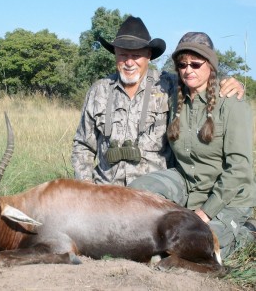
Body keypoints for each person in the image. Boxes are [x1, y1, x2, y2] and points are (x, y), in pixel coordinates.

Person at [71, 16, 245, 187]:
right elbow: (83, 145)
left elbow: (198, 79)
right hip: (106, 191)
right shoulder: (99, 90)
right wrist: (86, 185)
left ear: (149, 56)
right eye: (123, 54)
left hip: (155, 194)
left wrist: (228, 81)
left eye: (137, 55)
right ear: (115, 54)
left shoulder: (169, 84)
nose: (129, 62)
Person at [128, 31, 256, 258]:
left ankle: (245, 232)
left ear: (211, 65)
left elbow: (238, 169)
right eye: (182, 64)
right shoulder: (175, 96)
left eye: (196, 64)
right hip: (187, 184)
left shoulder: (232, 104)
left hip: (228, 197)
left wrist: (205, 213)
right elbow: (140, 74)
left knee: (194, 245)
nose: (188, 70)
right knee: (134, 194)